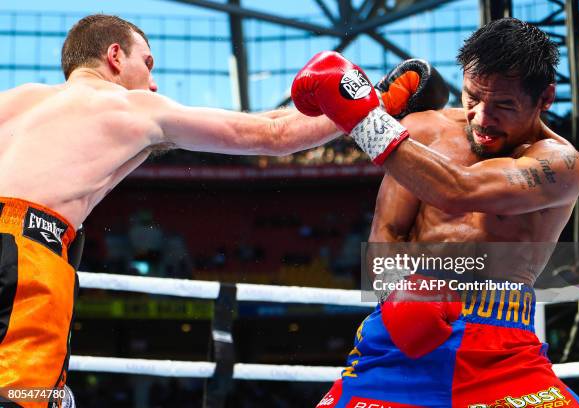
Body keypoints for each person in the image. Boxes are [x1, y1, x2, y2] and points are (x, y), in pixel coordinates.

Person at [0, 14, 343, 408]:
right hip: (27, 255)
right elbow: (274, 133)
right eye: (146, 63)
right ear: (114, 55)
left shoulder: (14, 100)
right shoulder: (128, 106)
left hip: (21, 248)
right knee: (22, 400)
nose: (153, 82)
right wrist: (373, 103)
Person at [292, 18, 579, 407]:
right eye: (472, 98)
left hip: (503, 350)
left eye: (503, 105)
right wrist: (398, 292)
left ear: (545, 99)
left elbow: (460, 190)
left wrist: (363, 118)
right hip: (397, 343)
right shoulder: (422, 132)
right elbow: (387, 232)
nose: (482, 118)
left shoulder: (561, 165)